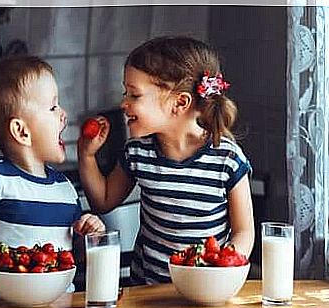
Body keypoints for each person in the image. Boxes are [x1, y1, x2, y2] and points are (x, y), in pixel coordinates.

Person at [78, 36, 255, 284]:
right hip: (147, 293)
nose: (123, 103)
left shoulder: (227, 158)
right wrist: (86, 155)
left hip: (205, 291)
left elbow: (244, 231)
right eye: (125, 93)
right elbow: (103, 201)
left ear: (180, 103)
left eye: (134, 95)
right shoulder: (138, 152)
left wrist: (223, 267)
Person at [0, 56, 105, 294]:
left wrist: (91, 237)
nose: (63, 114)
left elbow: (74, 257)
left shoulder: (65, 189)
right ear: (21, 131)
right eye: (53, 107)